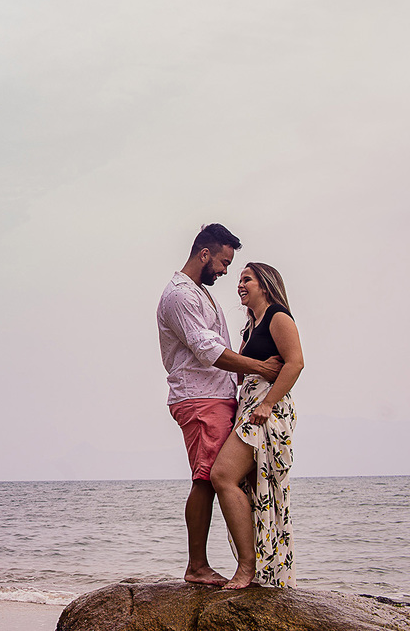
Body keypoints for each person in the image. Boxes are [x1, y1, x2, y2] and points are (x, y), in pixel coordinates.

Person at [156, 224, 283, 586]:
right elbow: (207, 350)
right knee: (207, 480)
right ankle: (198, 566)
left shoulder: (197, 292)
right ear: (204, 254)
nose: (226, 272)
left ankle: (228, 562)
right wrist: (260, 367)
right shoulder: (181, 295)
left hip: (214, 395)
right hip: (199, 398)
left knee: (214, 479)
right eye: (224, 263)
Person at [210, 263, 304, 589]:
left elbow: (296, 363)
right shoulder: (250, 326)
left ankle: (246, 569)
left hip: (267, 410)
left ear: (265, 284)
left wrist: (266, 404)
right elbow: (242, 373)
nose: (240, 284)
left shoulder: (278, 316)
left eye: (246, 279)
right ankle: (259, 570)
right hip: (248, 407)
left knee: (222, 476)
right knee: (252, 490)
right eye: (238, 279)